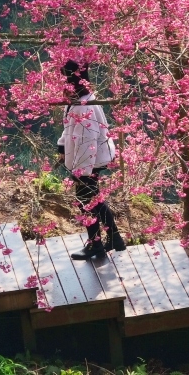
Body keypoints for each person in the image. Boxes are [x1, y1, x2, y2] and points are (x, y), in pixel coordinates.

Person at [58, 60, 126, 260]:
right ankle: (112, 238)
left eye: (66, 80)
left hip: (89, 161)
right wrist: (62, 147)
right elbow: (68, 129)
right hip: (89, 160)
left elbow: (87, 141)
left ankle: (96, 243)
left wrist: (81, 171)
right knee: (92, 199)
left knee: (86, 201)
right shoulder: (79, 102)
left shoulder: (82, 106)